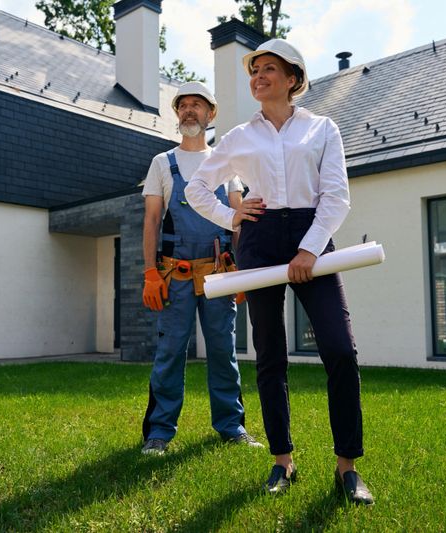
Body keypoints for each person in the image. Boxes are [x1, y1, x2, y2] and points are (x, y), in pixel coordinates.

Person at [184, 40, 374, 504]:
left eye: (269, 69)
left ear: (293, 79)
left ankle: (347, 468)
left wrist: (309, 250)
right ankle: (282, 460)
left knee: (340, 349)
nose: (258, 76)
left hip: (313, 233)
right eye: (254, 71)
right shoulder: (237, 137)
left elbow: (337, 196)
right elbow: (196, 187)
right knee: (269, 354)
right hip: (261, 238)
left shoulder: (323, 128)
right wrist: (233, 217)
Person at [140, 81, 263, 456]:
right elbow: (151, 221)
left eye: (198, 105)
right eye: (183, 106)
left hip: (220, 272)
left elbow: (240, 221)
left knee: (223, 350)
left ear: (211, 115)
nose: (189, 111)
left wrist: (243, 272)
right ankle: (159, 433)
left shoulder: (226, 165)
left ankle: (232, 426)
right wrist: (149, 273)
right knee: (170, 352)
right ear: (177, 115)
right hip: (173, 273)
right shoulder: (163, 163)